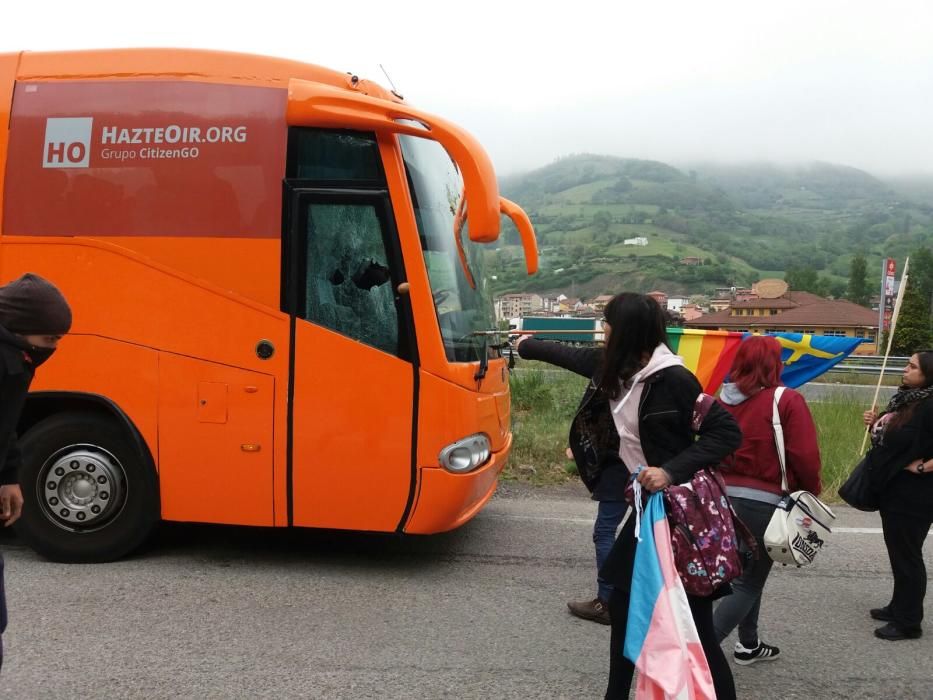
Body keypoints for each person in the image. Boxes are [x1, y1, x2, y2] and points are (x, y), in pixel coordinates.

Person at [596, 292, 741, 700]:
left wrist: (670, 470)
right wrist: (524, 345)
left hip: (679, 516)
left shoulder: (674, 379)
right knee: (623, 605)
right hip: (647, 512)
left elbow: (725, 433)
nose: (602, 331)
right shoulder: (624, 372)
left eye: (607, 323)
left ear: (625, 330)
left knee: (693, 622)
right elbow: (571, 357)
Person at [711, 335, 822, 664]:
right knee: (748, 580)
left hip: (719, 498)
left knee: (741, 572)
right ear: (774, 364)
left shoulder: (719, 400)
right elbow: (804, 455)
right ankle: (698, 651)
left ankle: (749, 643)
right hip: (763, 501)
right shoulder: (785, 400)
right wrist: (811, 491)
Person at [515, 333, 629, 625]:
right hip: (651, 463)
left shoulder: (609, 361)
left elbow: (561, 353)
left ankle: (608, 601)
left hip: (620, 464)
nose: (605, 333)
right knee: (642, 534)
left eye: (609, 325)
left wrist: (526, 344)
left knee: (605, 532)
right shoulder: (660, 366)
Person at [0, 273, 72, 670]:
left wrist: (8, 476)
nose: (54, 349)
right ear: (19, 329)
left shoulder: (17, 357)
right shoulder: (8, 361)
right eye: (49, 341)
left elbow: (5, 426)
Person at [861, 349, 933, 641]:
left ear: (928, 373)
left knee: (908, 557)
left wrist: (924, 467)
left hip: (915, 494)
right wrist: (876, 423)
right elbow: (892, 440)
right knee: (898, 552)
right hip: (893, 488)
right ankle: (897, 606)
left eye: (912, 366)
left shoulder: (930, 405)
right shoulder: (907, 400)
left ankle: (908, 622)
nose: (905, 370)